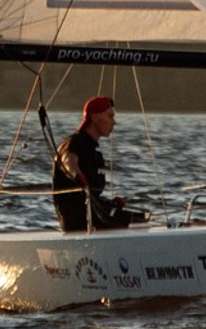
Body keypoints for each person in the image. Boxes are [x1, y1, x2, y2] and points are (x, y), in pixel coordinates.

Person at [52, 93, 140, 232]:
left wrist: (111, 203)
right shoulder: (74, 143)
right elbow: (68, 160)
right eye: (110, 116)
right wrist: (77, 175)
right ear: (94, 117)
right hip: (78, 222)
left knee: (141, 218)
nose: (114, 122)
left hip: (95, 215)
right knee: (136, 224)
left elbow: (93, 196)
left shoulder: (94, 151)